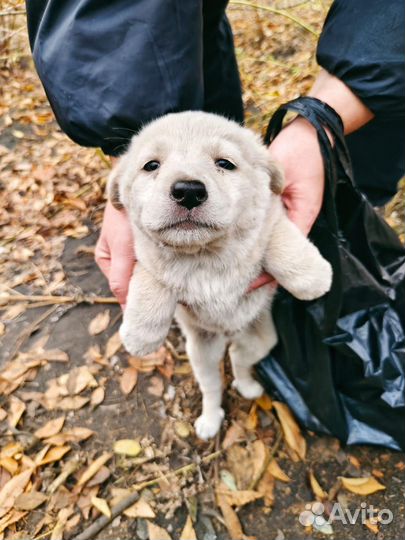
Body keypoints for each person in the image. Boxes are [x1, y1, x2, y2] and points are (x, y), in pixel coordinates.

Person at [26, 0, 404, 309]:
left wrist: (327, 118)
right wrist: (136, 156)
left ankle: (340, 284)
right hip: (181, 38)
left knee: (348, 213)